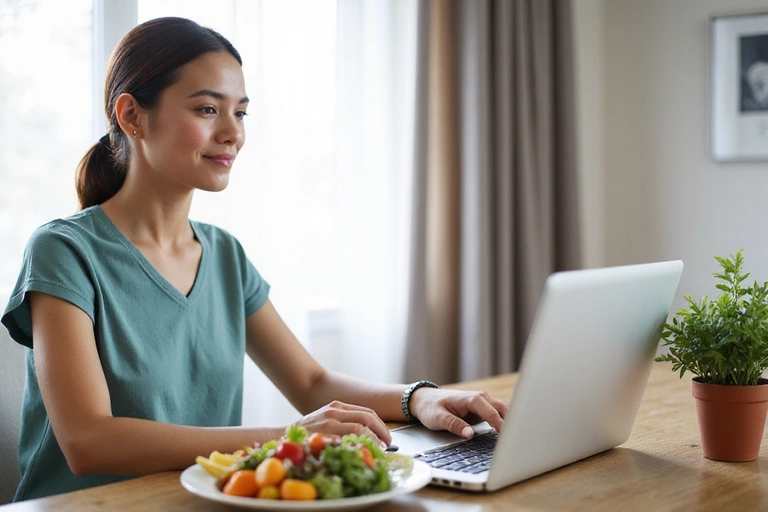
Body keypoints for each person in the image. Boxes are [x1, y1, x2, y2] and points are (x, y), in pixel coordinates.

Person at [1, 17, 507, 502]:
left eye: (240, 112)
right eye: (206, 110)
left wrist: (420, 399)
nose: (233, 133)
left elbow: (310, 382)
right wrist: (290, 435)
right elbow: (88, 442)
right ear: (132, 115)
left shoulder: (224, 255)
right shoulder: (64, 251)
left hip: (203, 502)